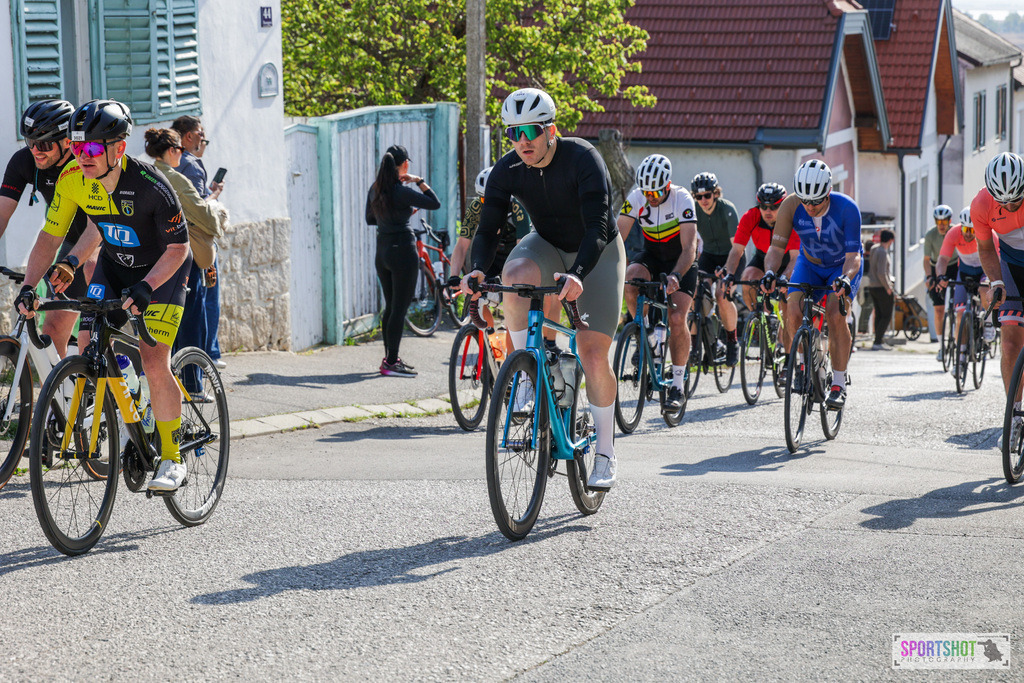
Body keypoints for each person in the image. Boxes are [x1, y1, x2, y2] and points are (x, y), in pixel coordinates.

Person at [15, 100, 192, 492]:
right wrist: (32, 284)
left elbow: (178, 248)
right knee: (88, 338)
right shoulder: (73, 180)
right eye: (77, 148)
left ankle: (172, 458)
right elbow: (53, 236)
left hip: (163, 269)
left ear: (119, 148)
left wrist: (147, 287)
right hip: (115, 266)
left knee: (153, 356)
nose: (83, 157)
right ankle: (125, 418)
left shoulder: (152, 185)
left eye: (93, 148)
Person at [463, 87, 625, 490]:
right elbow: (487, 229)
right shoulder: (507, 170)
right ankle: (530, 373)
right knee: (514, 272)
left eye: (531, 131)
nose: (522, 142)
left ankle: (605, 450)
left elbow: (599, 228)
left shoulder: (583, 158)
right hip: (548, 245)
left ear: (551, 129)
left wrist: (579, 274)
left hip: (597, 252)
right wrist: (478, 271)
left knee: (590, 353)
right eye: (513, 133)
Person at [760, 159, 863, 409]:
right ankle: (806, 361)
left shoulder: (847, 208)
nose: (810, 206)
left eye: (816, 201)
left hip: (841, 267)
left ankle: (838, 382)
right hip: (810, 265)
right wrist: (770, 273)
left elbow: (854, 257)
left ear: (828, 193)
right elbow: (776, 248)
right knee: (791, 310)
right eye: (805, 200)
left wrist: (846, 279)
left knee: (835, 314)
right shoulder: (790, 206)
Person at [0, 100, 96, 356]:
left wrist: (74, 262)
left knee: (91, 270)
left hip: (104, 238)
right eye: (30, 142)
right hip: (69, 241)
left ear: (67, 141)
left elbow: (97, 227)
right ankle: (62, 394)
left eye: (43, 144)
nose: (35, 151)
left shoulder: (86, 161)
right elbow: (2, 212)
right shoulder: (25, 161)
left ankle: (119, 377)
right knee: (52, 332)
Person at [146, 127, 226, 399]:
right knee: (192, 319)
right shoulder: (175, 178)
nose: (183, 154)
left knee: (161, 322)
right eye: (180, 149)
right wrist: (215, 210)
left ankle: (164, 383)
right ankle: (193, 385)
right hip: (182, 257)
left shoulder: (144, 174)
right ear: (172, 151)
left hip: (152, 260)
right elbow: (204, 214)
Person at [618, 154, 699, 411]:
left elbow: (689, 248)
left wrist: (676, 275)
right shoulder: (636, 197)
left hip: (681, 261)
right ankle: (648, 336)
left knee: (676, 318)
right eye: (647, 192)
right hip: (652, 255)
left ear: (668, 184)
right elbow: (617, 237)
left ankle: (677, 385)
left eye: (657, 192)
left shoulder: (682, 199)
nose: (651, 197)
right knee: (630, 281)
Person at [366, 144, 440, 377]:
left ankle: (391, 358)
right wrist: (419, 180)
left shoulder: (375, 189)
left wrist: (402, 213)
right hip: (403, 253)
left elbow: (371, 219)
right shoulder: (401, 190)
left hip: (383, 252)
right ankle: (390, 362)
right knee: (399, 309)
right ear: (404, 165)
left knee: (391, 307)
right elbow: (434, 202)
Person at [973, 152, 1024, 440]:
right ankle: (1015, 414)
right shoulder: (981, 204)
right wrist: (995, 281)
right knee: (1009, 343)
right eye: (1003, 202)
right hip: (1011, 265)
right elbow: (985, 248)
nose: (1009, 206)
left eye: (1015, 200)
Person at [171, 115, 225, 369]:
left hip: (171, 246)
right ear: (189, 136)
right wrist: (215, 193)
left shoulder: (164, 166)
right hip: (194, 244)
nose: (203, 139)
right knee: (200, 306)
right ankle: (203, 363)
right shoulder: (192, 166)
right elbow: (200, 210)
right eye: (201, 134)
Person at [722, 182, 800, 353]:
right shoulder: (751, 216)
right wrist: (729, 274)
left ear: (783, 204)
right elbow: (736, 250)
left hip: (788, 261)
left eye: (774, 206)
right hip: (763, 257)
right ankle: (761, 318)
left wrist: (785, 278)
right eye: (763, 206)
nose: (768, 211)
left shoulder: (790, 219)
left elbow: (795, 258)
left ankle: (787, 357)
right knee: (748, 277)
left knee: (787, 311)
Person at [935, 209, 996, 374]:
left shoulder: (988, 233)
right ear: (960, 227)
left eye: (972, 230)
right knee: (960, 314)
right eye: (965, 230)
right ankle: (960, 360)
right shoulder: (954, 233)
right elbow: (942, 259)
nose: (968, 234)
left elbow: (998, 260)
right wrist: (940, 275)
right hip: (965, 272)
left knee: (985, 289)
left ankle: (988, 322)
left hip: (984, 271)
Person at [692, 171, 741, 365]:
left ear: (716, 193)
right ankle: (700, 344)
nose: (703, 200)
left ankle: (732, 342)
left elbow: (736, 248)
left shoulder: (727, 210)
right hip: (710, 256)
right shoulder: (694, 210)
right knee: (696, 295)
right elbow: (692, 242)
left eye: (707, 195)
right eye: (698, 196)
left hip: (732, 255)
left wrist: (728, 270)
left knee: (722, 295)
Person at [923, 205, 958, 355]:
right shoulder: (930, 235)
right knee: (939, 309)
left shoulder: (956, 231)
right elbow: (926, 260)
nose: (941, 225)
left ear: (950, 221)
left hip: (954, 266)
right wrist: (930, 276)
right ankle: (941, 346)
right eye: (938, 222)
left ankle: (958, 339)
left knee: (959, 308)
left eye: (944, 222)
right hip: (936, 267)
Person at [864, 230, 895, 350]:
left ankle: (878, 340)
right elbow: (882, 273)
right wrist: (888, 288)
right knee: (886, 315)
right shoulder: (882, 252)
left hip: (872, 285)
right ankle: (878, 340)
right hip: (881, 286)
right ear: (890, 240)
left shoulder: (874, 249)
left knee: (878, 314)